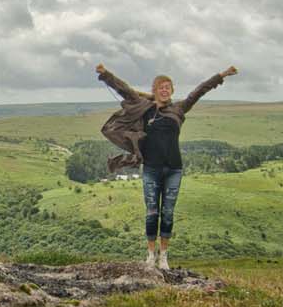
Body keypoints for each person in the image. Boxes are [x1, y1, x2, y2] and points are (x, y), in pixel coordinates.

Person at [95, 63, 237, 269]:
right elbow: (125, 90)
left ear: (172, 91)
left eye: (167, 87)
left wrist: (222, 75)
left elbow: (199, 91)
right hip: (151, 169)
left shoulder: (179, 109)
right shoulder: (145, 108)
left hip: (173, 169)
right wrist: (105, 74)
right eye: (160, 87)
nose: (164, 90)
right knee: (152, 211)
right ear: (154, 90)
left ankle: (164, 257)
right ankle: (151, 255)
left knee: (168, 213)